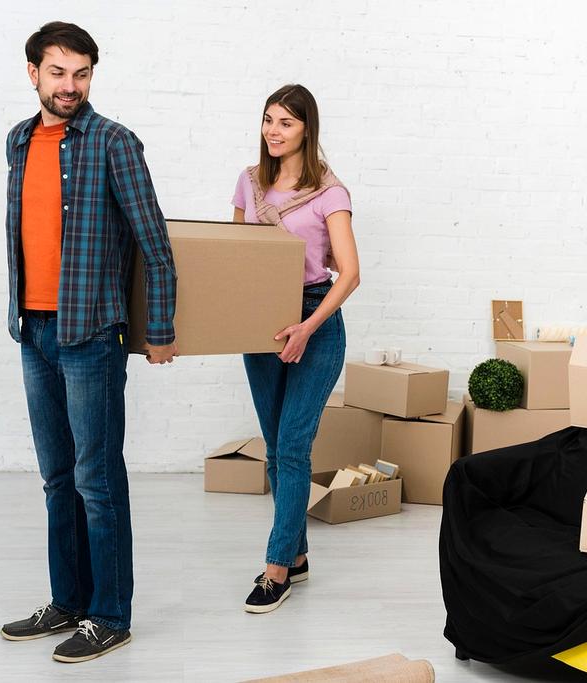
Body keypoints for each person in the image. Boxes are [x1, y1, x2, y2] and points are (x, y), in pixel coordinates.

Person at [0, 21, 178, 663]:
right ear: (33, 73)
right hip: (34, 329)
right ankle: (69, 601)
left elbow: (156, 248)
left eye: (81, 74)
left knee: (96, 480)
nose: (69, 85)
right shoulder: (20, 140)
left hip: (91, 334)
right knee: (56, 478)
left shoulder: (114, 143)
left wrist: (158, 332)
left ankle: (110, 614)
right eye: (58, 72)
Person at [232, 84, 360, 613]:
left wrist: (307, 326)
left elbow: (349, 274)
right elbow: (235, 256)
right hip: (261, 324)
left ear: (307, 128)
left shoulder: (330, 193)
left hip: (316, 322)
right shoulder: (249, 183)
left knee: (291, 448)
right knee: (274, 446)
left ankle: (277, 569)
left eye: (285, 122)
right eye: (267, 120)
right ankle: (299, 555)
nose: (273, 131)